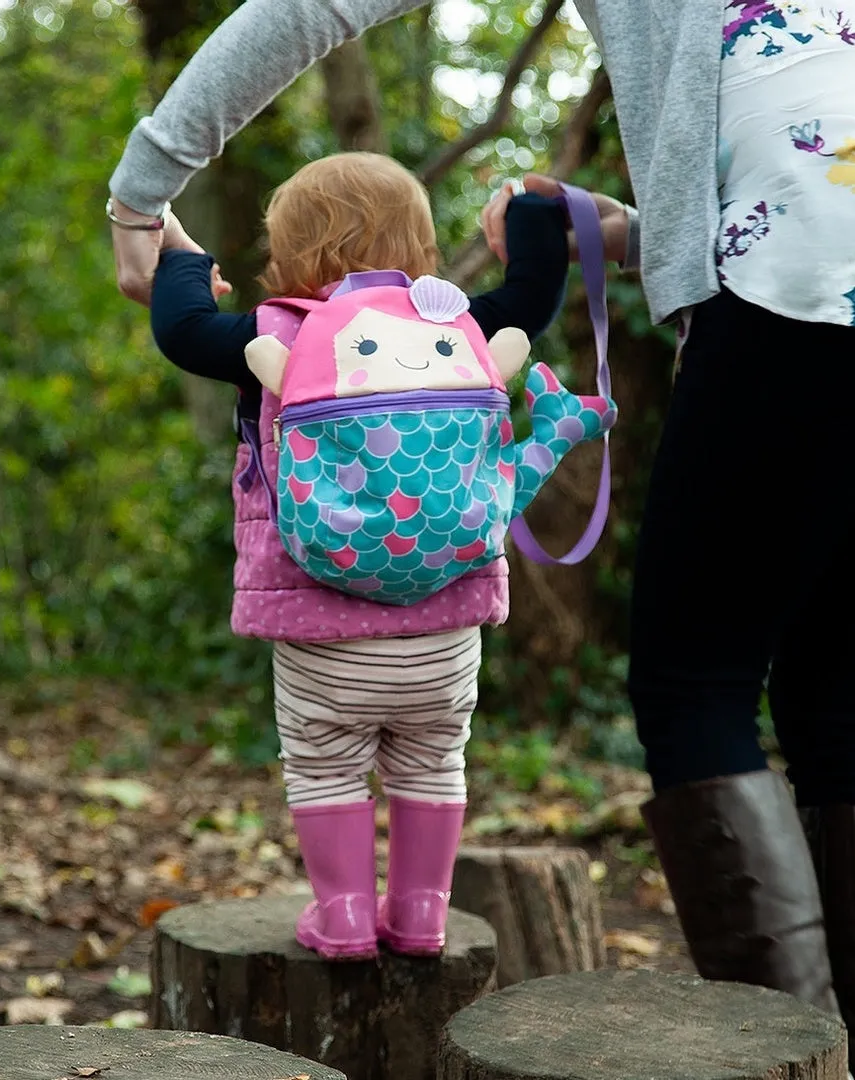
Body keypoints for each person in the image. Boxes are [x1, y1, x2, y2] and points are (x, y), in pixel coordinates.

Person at [108, 2, 855, 1074]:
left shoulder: (293, 338)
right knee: (850, 699)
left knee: (698, 688)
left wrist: (144, 185)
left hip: (812, 249)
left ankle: (800, 1068)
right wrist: (617, 227)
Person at [145, 149, 578, 960]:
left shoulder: (278, 334)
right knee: (433, 761)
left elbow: (181, 330)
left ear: (288, 258)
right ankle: (420, 913)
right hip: (447, 626)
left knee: (323, 767)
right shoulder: (460, 329)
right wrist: (528, 211)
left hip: (317, 626)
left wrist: (181, 258)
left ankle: (343, 914)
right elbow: (534, 295)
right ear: (421, 252)